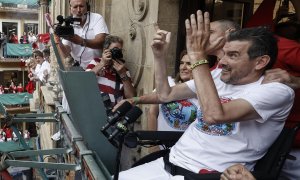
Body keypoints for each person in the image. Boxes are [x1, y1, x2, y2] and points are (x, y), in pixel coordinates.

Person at [118, 11, 294, 179]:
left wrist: (197, 55)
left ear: (260, 62)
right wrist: (160, 56)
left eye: (233, 55)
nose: (223, 61)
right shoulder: (218, 76)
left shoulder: (277, 91)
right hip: (169, 163)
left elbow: (213, 115)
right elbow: (166, 94)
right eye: (224, 54)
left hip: (206, 175)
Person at [147, 50, 198, 131]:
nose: (183, 67)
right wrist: (152, 141)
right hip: (161, 141)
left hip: (187, 142)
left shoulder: (201, 90)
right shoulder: (168, 83)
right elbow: (152, 112)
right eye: (181, 63)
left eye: (189, 64)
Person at [86, 35, 136, 106]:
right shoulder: (96, 62)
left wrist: (122, 74)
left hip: (114, 113)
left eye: (120, 50)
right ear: (105, 50)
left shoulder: (123, 69)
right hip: (94, 107)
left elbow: (132, 97)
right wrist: (102, 64)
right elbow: (84, 82)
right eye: (115, 49)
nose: (118, 52)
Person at [58, 0, 109, 70]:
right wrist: (58, 42)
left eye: (81, 6)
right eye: (75, 7)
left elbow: (101, 42)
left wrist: (81, 41)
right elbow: (65, 53)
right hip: (80, 70)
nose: (79, 10)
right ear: (70, 9)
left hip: (99, 68)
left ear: (87, 7)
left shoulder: (97, 18)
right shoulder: (68, 24)